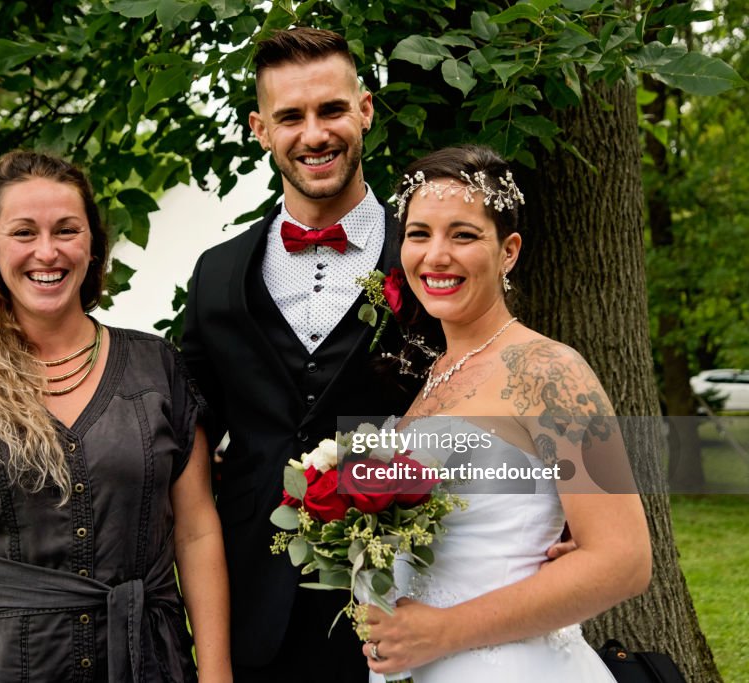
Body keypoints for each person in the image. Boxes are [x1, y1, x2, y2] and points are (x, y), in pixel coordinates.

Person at [0, 150, 231, 683]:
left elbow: (196, 532)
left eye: (66, 230)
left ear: (92, 247)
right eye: (24, 232)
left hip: (147, 662)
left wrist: (216, 675)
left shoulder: (157, 369)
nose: (47, 251)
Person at [361, 145, 652, 682]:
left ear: (508, 250)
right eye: (419, 234)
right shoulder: (433, 378)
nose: (436, 256)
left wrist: (443, 631)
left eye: (464, 235)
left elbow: (624, 559)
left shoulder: (550, 372)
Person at [181, 28, 413, 682]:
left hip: (402, 601)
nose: (314, 134)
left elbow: (495, 387)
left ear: (364, 110)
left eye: (331, 110)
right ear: (261, 128)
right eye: (290, 116)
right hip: (253, 607)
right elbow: (186, 434)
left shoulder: (426, 258)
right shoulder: (218, 274)